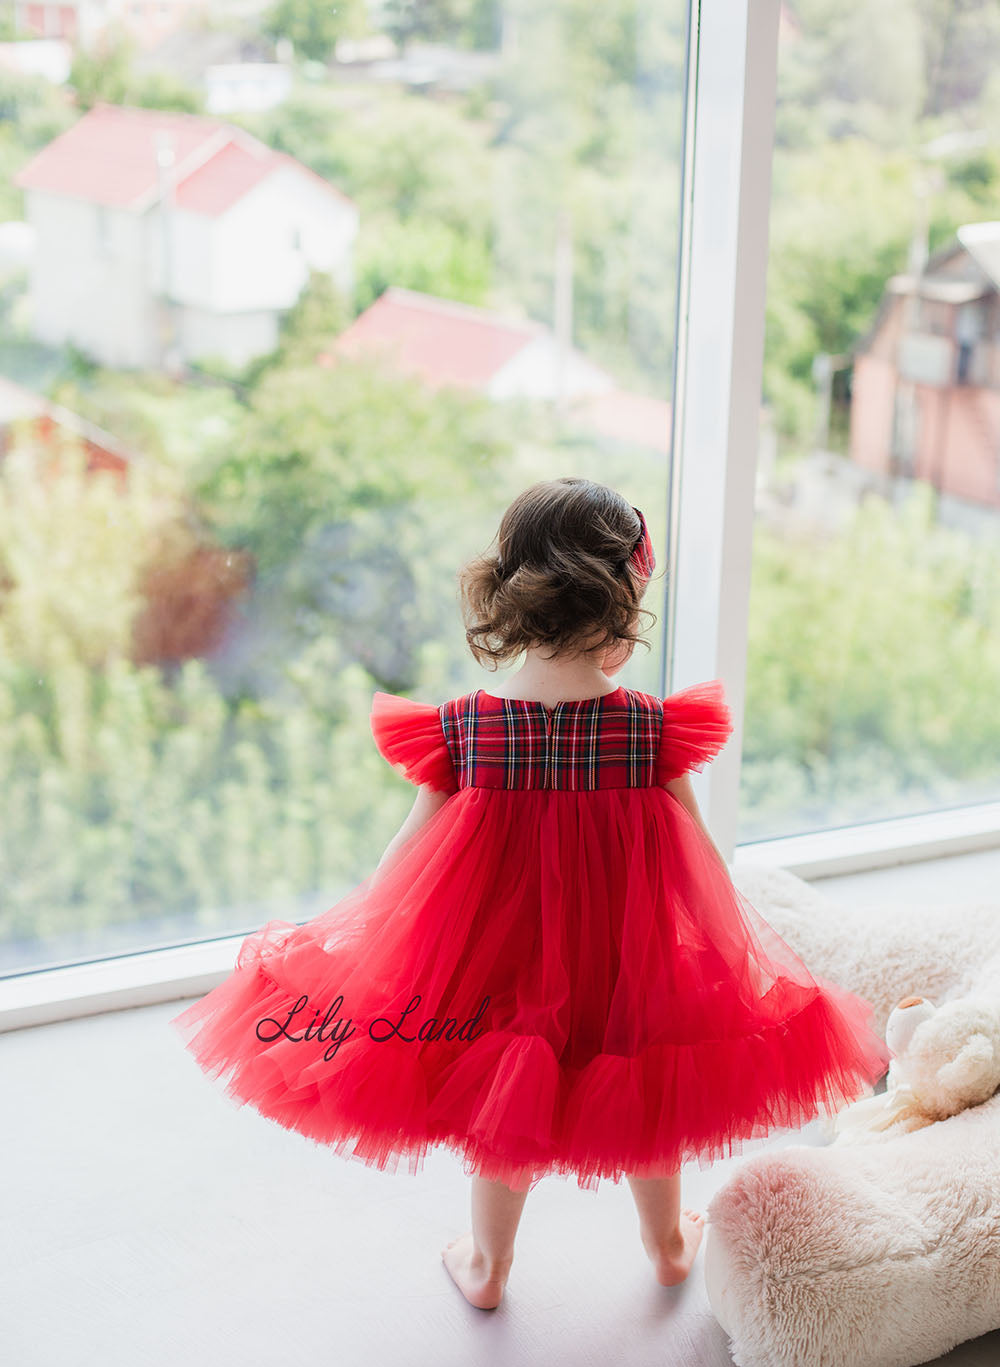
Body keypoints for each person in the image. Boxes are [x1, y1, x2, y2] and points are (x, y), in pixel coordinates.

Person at [171, 477, 890, 1311]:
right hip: (629, 954)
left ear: (511, 593)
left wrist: (369, 931)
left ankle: (488, 1267)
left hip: (496, 955)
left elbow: (409, 854)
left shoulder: (467, 730)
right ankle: (664, 1246)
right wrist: (717, 945)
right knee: (649, 1076)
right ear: (621, 602)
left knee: (501, 1092)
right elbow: (699, 854)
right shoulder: (649, 731)